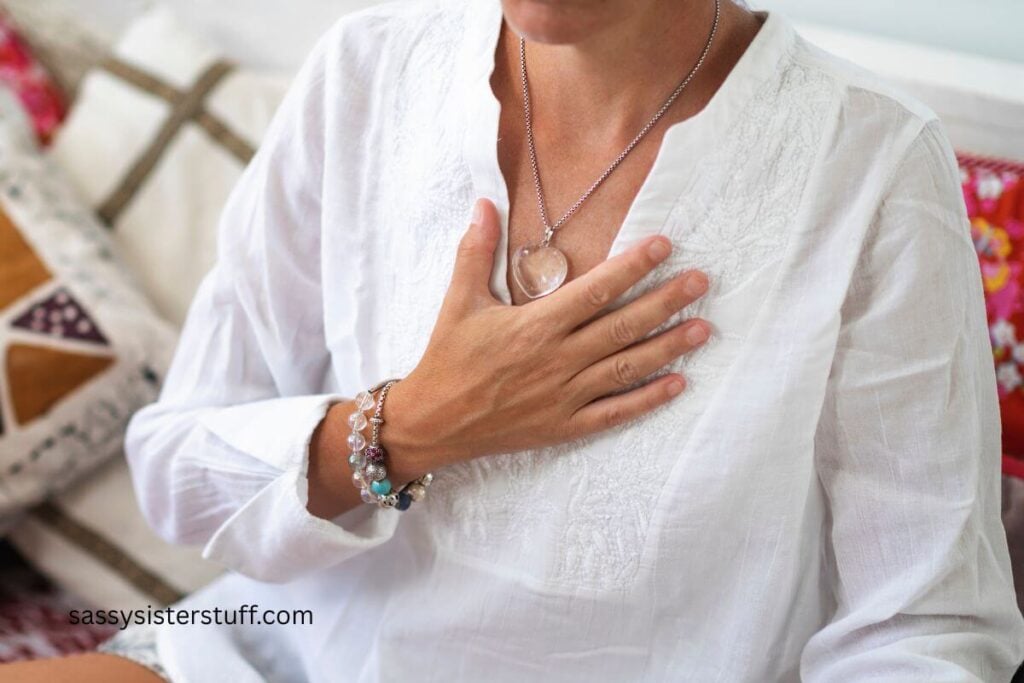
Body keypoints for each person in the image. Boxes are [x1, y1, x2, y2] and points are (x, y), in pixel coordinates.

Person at [7, 0, 1023, 680]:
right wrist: (406, 426)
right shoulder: (365, 75)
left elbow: (923, 627)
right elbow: (179, 472)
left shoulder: (871, 163)